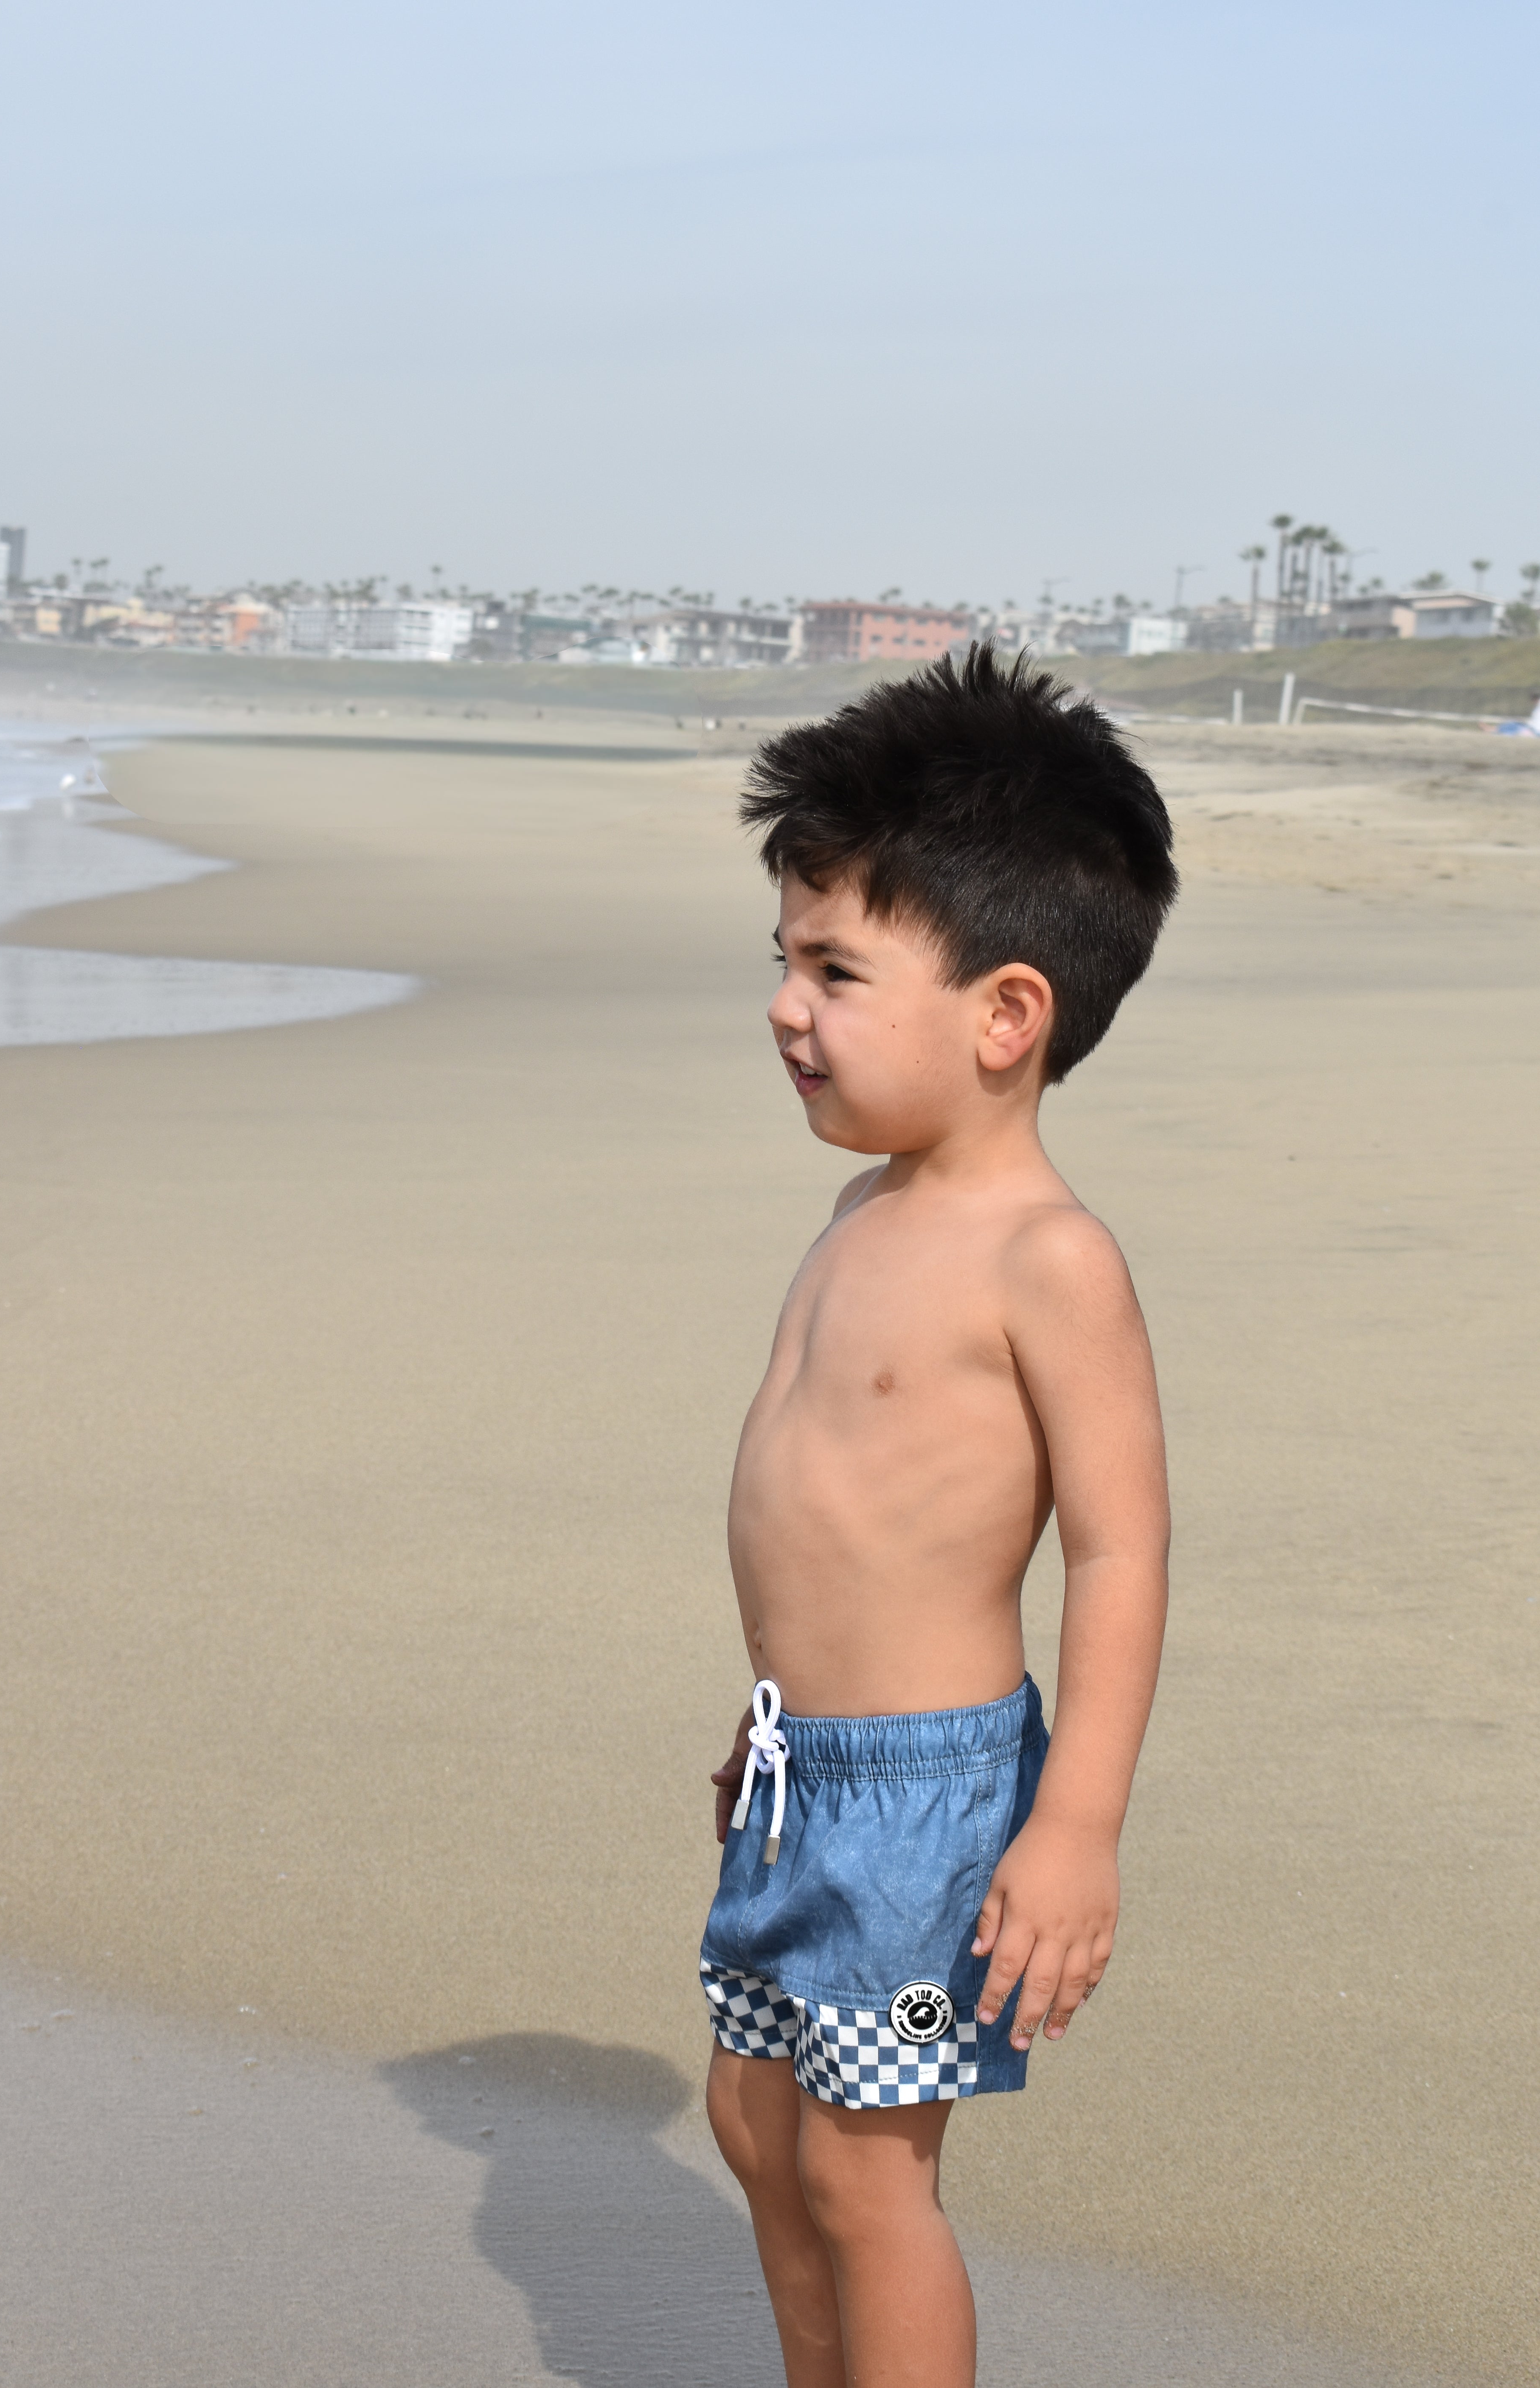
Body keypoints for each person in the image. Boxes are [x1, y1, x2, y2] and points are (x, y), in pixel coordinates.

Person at [700, 645, 1176, 2388]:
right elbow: (825, 1512)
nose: (784, 1006)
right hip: (799, 1769)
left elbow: (1120, 1549)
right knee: (754, 2117)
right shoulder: (857, 1214)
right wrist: (764, 1731)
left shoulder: (1046, 1262)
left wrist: (1073, 1829)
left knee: (861, 2166)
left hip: (926, 1800)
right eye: (782, 962)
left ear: (1004, 1014)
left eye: (833, 968)